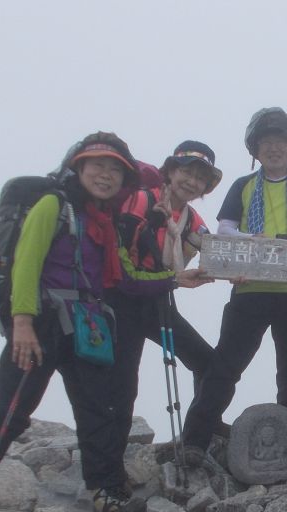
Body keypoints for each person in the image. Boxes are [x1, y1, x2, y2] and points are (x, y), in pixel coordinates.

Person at [0, 132, 143, 512]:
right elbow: (26, 264)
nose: (106, 175)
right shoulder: (53, 204)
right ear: (78, 166)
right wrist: (21, 322)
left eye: (115, 170)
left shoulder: (103, 218)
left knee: (96, 409)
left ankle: (105, 488)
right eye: (98, 165)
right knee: (13, 407)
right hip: (41, 321)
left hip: (86, 323)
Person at [181, 107, 287, 462]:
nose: (274, 148)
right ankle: (195, 440)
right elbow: (224, 228)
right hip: (249, 290)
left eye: (280, 141)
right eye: (266, 142)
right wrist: (251, 241)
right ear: (255, 149)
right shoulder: (243, 185)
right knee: (225, 367)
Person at [107, 140, 221, 452]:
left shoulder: (192, 219)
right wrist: (176, 279)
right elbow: (120, 265)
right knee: (123, 385)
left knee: (209, 363)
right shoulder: (142, 200)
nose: (192, 182)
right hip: (124, 302)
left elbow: (218, 253)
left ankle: (204, 427)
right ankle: (111, 461)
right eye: (187, 172)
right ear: (170, 172)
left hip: (158, 302)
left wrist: (242, 266)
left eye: (200, 178)